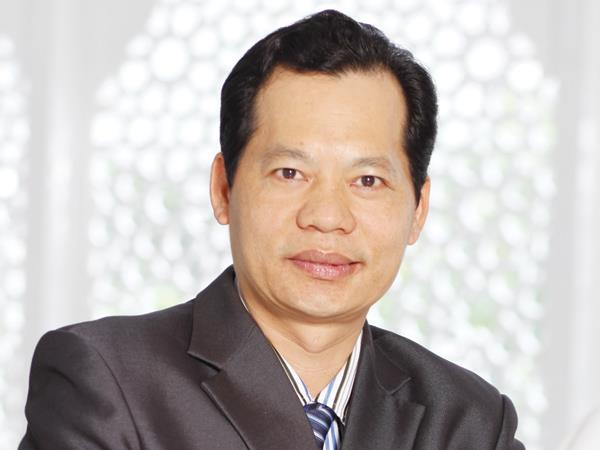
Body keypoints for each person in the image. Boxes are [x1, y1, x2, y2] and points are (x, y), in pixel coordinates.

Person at [20, 9, 525, 450]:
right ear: (223, 188)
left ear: (418, 209)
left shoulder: (470, 422)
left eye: (367, 180)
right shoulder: (106, 381)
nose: (327, 217)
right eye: (290, 173)